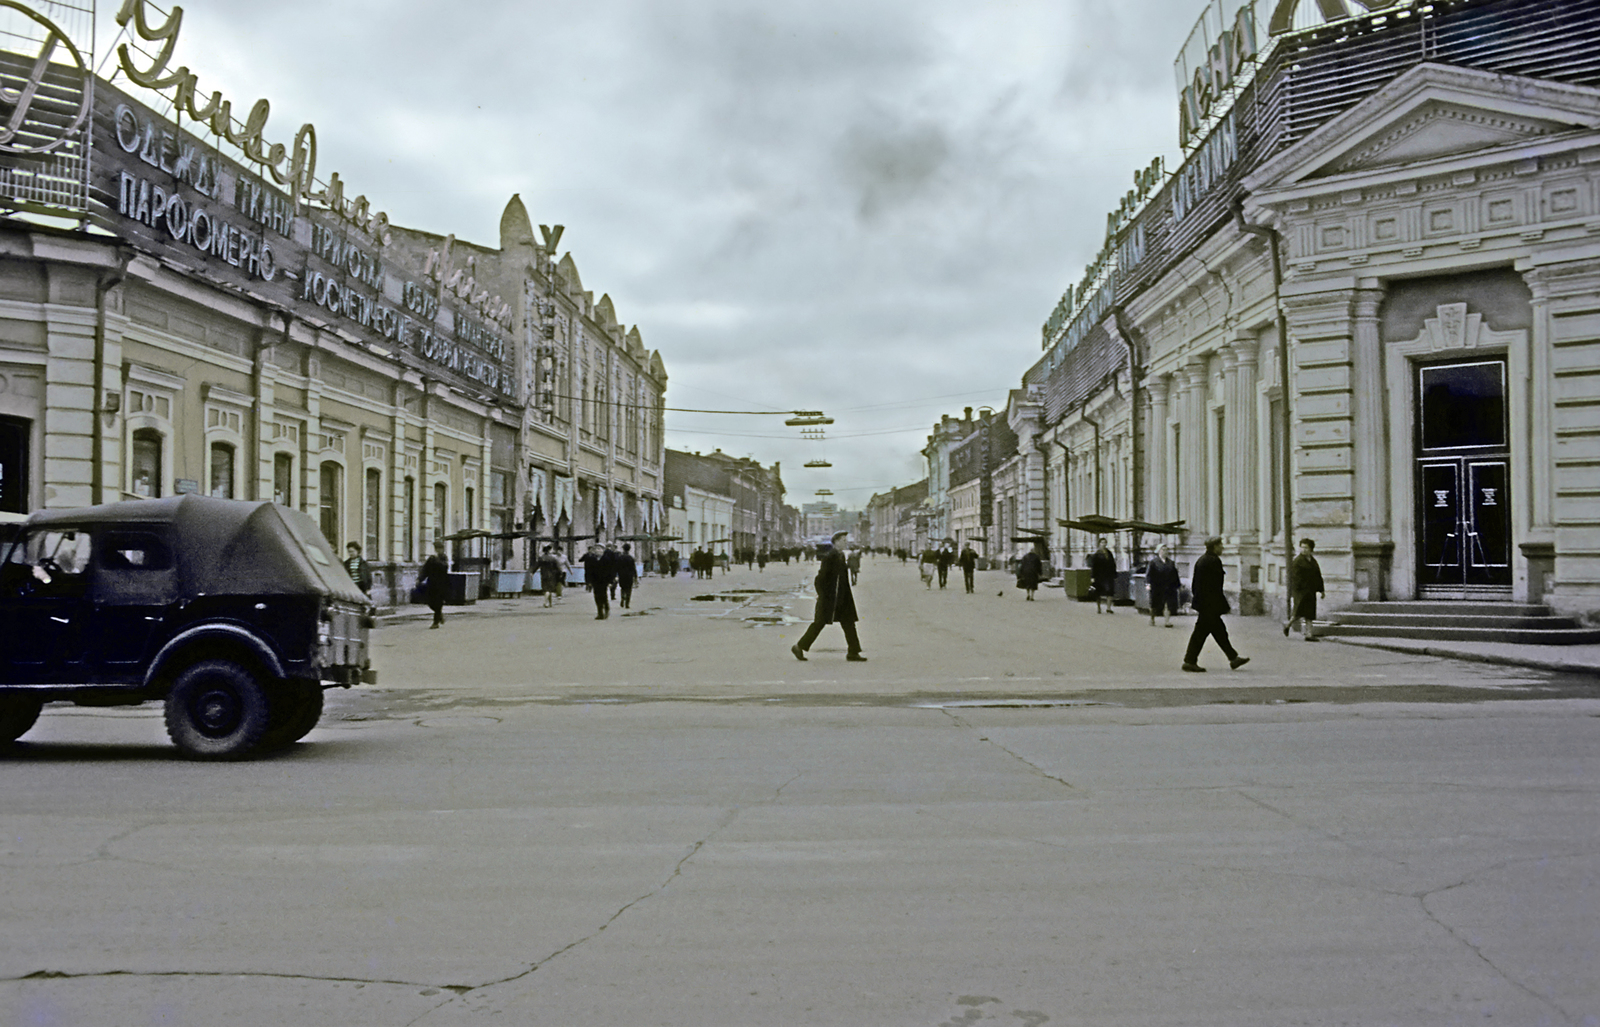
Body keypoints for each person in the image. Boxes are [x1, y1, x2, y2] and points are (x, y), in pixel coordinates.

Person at [791, 530, 865, 662]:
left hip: (842, 598)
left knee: (849, 623)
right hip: (830, 599)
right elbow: (819, 579)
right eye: (843, 540)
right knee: (819, 623)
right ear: (836, 542)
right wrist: (823, 595)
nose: (845, 543)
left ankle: (853, 652)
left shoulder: (840, 555)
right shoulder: (830, 557)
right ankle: (799, 646)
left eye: (846, 540)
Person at [1183, 536, 1248, 672]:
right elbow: (1213, 588)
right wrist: (1218, 605)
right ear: (1214, 547)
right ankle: (1189, 661)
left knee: (1218, 632)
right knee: (1203, 634)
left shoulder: (1203, 560)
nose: (1222, 547)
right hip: (1209, 605)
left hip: (1206, 605)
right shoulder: (1212, 561)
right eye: (1220, 545)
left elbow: (1197, 585)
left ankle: (1233, 658)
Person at [1285, 537, 1326, 640]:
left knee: (1310, 614)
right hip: (1301, 591)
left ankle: (1309, 635)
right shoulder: (1298, 561)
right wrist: (1299, 589)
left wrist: (1321, 590)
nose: (1304, 550)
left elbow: (1318, 575)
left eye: (1306, 548)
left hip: (1311, 591)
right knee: (1298, 612)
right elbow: (1295, 577)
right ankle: (1287, 625)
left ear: (1311, 549)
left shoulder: (1313, 561)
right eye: (1302, 547)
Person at [1145, 543, 1181, 628]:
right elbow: (1149, 574)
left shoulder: (1171, 563)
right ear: (1158, 551)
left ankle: (1167, 621)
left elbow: (1175, 575)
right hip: (1157, 586)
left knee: (1168, 604)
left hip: (1169, 587)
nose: (1165, 552)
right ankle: (1152, 618)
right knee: (1154, 604)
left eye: (1166, 550)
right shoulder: (1153, 562)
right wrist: (1148, 584)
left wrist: (1178, 585)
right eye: (1163, 550)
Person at [418, 539, 450, 629]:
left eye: (440, 548)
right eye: (437, 548)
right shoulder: (431, 559)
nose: (438, 550)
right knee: (430, 601)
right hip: (432, 583)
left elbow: (445, 567)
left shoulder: (443, 558)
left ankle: (435, 622)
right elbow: (425, 570)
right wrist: (420, 579)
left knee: (438, 602)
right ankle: (439, 615)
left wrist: (437, 561)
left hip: (441, 583)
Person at [586, 544, 615, 619]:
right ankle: (600, 612)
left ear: (603, 550)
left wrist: (611, 581)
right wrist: (588, 581)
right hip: (595, 581)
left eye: (599, 549)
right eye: (596, 549)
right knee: (596, 596)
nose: (597, 550)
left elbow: (611, 571)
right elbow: (588, 571)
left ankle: (606, 608)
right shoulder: (591, 559)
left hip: (604, 581)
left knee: (603, 595)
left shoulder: (606, 559)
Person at [1090, 538, 1118, 614]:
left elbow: (1113, 564)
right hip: (1099, 576)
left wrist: (1114, 573)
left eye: (1105, 542)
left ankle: (1108, 608)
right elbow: (1094, 566)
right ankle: (1098, 607)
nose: (1104, 544)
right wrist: (1092, 577)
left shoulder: (1109, 553)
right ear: (1099, 543)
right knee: (1098, 592)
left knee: (1110, 591)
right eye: (1102, 542)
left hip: (1109, 576)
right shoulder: (1096, 554)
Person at [616, 543, 639, 610]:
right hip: (629, 575)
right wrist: (635, 576)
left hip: (622, 575)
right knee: (629, 589)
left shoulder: (620, 557)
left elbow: (617, 567)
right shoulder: (631, 558)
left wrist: (616, 574)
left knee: (623, 588)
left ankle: (623, 598)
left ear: (623, 549)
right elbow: (633, 568)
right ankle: (627, 604)